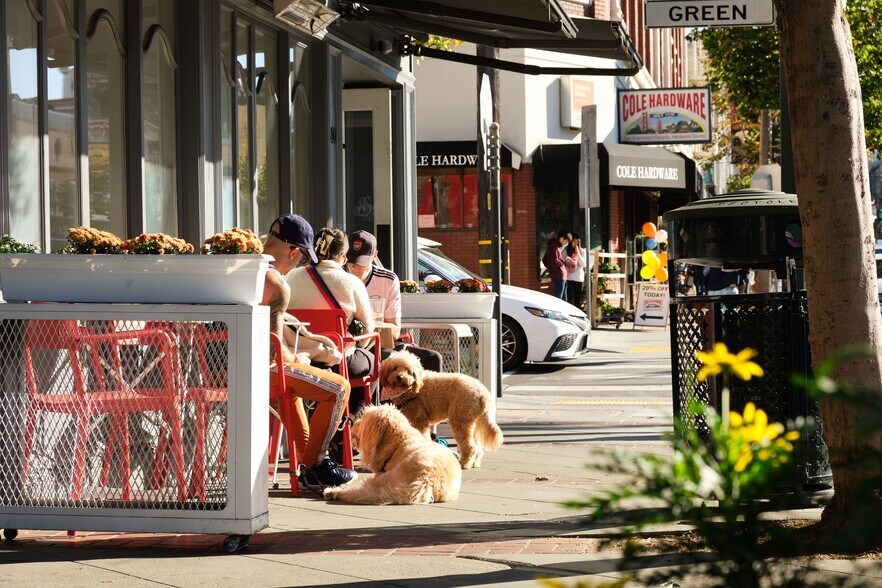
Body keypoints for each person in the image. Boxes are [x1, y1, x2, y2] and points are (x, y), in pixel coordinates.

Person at [261, 214, 357, 493]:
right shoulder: (277, 283)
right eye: (303, 257)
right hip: (257, 370)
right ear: (294, 251)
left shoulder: (243, 265)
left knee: (290, 385)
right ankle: (317, 462)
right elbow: (273, 349)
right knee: (339, 388)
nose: (300, 263)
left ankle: (309, 467)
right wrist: (297, 359)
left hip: (218, 370)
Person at [286, 227, 376, 418]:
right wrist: (357, 344)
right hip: (338, 360)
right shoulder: (351, 283)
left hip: (298, 359)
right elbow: (368, 329)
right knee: (374, 363)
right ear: (343, 255)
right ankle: (351, 420)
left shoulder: (291, 277)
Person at [345, 230, 444, 373]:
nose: (354, 268)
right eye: (351, 262)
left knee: (432, 358)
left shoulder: (388, 279)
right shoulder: (339, 277)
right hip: (348, 345)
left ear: (374, 256)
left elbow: (393, 331)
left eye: (361, 263)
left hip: (378, 343)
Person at [543, 232, 571, 300]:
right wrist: (564, 261)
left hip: (560, 276)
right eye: (566, 240)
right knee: (559, 299)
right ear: (561, 238)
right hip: (559, 276)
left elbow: (545, 260)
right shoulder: (554, 247)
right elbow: (554, 262)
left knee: (562, 299)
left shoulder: (555, 247)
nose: (566, 243)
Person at [565, 236, 587, 309]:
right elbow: (562, 262)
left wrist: (578, 254)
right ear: (571, 242)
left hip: (578, 278)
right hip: (569, 277)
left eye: (577, 242)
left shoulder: (583, 251)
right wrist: (568, 264)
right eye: (574, 241)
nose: (575, 244)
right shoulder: (566, 251)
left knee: (578, 300)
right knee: (569, 299)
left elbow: (583, 264)